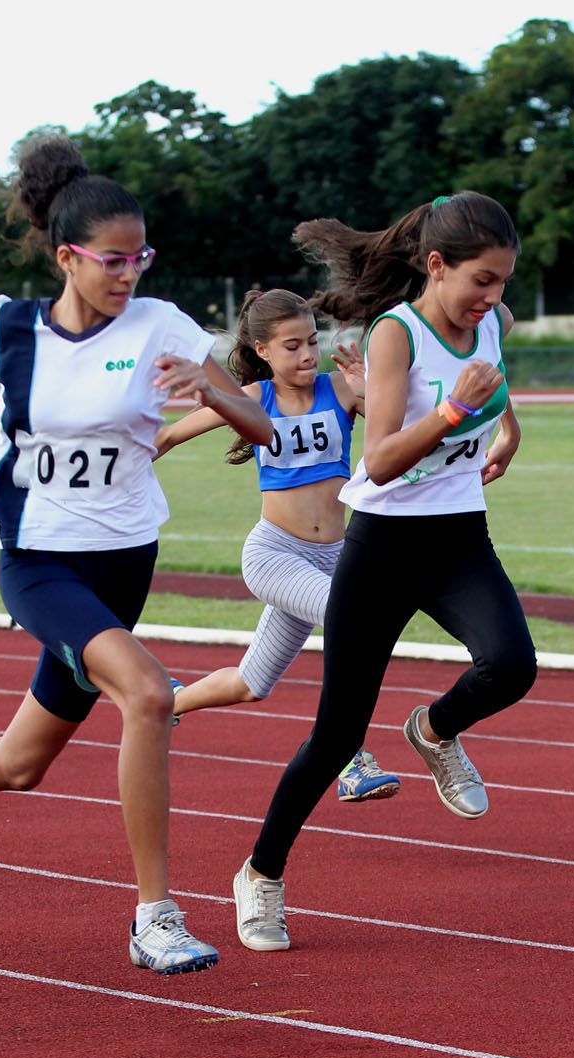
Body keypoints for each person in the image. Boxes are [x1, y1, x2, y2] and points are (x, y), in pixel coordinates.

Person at [0, 135, 274, 976]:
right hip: (39, 559)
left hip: (125, 559)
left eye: (140, 258)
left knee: (20, 765)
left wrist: (215, 392)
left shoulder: (163, 325)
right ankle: (155, 916)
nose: (129, 275)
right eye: (113, 261)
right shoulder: (11, 324)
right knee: (150, 695)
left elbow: (261, 426)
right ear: (66, 256)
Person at [231, 192, 534, 953]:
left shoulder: (489, 324)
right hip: (384, 545)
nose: (494, 298)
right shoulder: (394, 335)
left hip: (461, 538)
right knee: (335, 738)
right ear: (437, 266)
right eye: (482, 281)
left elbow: (494, 387)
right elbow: (382, 458)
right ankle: (261, 875)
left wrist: (506, 429)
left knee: (511, 666)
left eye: (502, 282)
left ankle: (434, 730)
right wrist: (455, 418)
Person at [154, 288, 402, 803]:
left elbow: (398, 430)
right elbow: (171, 436)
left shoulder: (343, 388)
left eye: (312, 341)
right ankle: (351, 759)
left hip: (336, 555)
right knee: (352, 622)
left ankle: (167, 703)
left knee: (252, 683)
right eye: (292, 346)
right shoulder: (252, 399)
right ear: (263, 350)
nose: (308, 354)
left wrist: (371, 387)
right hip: (274, 555)